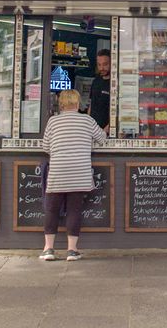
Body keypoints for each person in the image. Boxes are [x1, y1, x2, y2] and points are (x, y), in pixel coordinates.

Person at [40, 89, 107, 261]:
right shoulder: (87, 120)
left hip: (58, 172)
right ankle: (72, 250)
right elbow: (102, 138)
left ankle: (48, 249)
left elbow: (46, 147)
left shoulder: (53, 121)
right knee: (74, 211)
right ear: (78, 104)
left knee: (52, 210)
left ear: (61, 104)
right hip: (79, 173)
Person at [88, 48, 111, 132]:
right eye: (99, 65)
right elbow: (91, 104)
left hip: (108, 131)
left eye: (105, 64)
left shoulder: (115, 84)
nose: (102, 68)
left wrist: (107, 130)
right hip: (93, 130)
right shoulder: (96, 81)